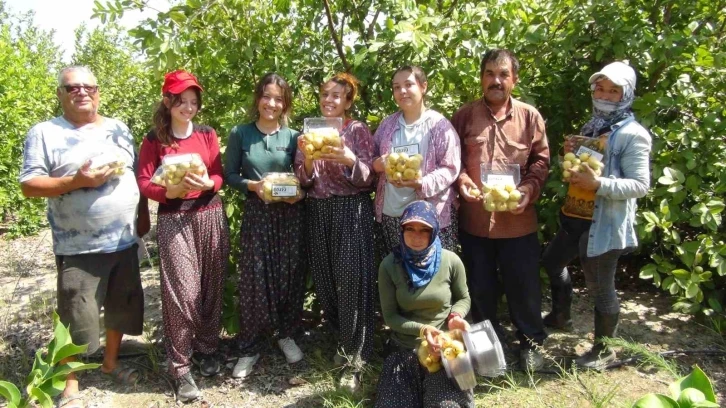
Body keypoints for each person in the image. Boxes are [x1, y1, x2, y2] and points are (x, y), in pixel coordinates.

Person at [19, 65, 149, 408]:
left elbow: (133, 175)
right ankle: (69, 382)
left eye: (88, 87)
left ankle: (109, 364)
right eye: (72, 88)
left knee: (121, 308)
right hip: (78, 245)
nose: (82, 93)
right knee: (77, 314)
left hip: (124, 239)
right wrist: (77, 181)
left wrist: (143, 216)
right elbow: (29, 185)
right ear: (60, 94)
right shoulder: (45, 133)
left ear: (98, 92)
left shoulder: (118, 129)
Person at [541, 61, 651, 369]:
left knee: (601, 288)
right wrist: (572, 154)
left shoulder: (633, 135)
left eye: (613, 90)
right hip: (576, 215)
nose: (604, 95)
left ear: (626, 94)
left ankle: (605, 350)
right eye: (600, 88)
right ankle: (561, 315)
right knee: (552, 261)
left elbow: (640, 185)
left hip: (603, 224)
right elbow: (588, 165)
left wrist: (598, 183)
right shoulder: (596, 125)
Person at [452, 49, 550, 369]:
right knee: (479, 288)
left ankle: (531, 344)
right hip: (475, 221)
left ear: (514, 79)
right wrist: (463, 179)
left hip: (517, 220)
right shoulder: (464, 116)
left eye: (503, 74)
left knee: (523, 286)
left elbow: (541, 161)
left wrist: (528, 190)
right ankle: (486, 349)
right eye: (490, 73)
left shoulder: (529, 116)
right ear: (481, 78)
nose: (496, 80)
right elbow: (453, 162)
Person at [136, 70, 229, 401]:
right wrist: (170, 191)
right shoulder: (154, 140)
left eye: (193, 101)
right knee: (183, 293)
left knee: (210, 287)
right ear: (168, 101)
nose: (188, 107)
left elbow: (218, 173)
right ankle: (180, 366)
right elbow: (146, 182)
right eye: (181, 101)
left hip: (210, 215)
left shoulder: (206, 134)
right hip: (175, 219)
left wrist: (210, 185)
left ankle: (206, 349)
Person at [293, 73, 375, 392]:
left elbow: (368, 178)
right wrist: (310, 160)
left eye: (337, 96)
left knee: (352, 282)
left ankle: (355, 357)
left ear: (348, 101)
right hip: (318, 210)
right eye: (325, 94)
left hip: (350, 209)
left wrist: (348, 158)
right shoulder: (310, 131)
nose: (329, 100)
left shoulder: (356, 131)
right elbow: (303, 179)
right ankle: (342, 340)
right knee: (326, 282)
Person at [224, 73, 306, 378]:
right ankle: (250, 346)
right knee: (255, 281)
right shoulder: (240, 134)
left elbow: (305, 176)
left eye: (278, 98)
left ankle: (287, 335)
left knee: (289, 276)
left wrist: (300, 193)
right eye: (267, 96)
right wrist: (253, 186)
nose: (272, 103)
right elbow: (229, 175)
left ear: (285, 104)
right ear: (258, 98)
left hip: (290, 216)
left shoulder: (296, 137)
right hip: (258, 214)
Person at [375, 200, 473, 408]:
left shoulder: (451, 261)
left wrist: (456, 316)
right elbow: (391, 317)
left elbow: (463, 298)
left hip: (444, 348)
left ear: (434, 231)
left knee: (447, 405)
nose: (416, 236)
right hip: (406, 348)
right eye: (410, 229)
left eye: (424, 230)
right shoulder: (389, 265)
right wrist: (423, 329)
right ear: (401, 230)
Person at [372, 65, 461, 257]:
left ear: (424, 87)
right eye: (396, 87)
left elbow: (451, 168)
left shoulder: (439, 125)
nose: (402, 91)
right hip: (392, 214)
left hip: (427, 218)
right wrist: (378, 164)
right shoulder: (387, 125)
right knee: (399, 275)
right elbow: (371, 159)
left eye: (408, 85)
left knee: (433, 276)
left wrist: (422, 182)